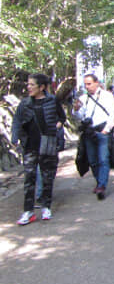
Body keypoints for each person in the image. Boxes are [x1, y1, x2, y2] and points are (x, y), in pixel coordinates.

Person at [12, 73, 66, 225]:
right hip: (30, 146)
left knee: (47, 177)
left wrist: (58, 126)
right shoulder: (24, 104)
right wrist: (15, 138)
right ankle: (28, 211)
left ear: (41, 87)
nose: (28, 87)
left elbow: (62, 117)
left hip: (48, 144)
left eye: (32, 85)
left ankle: (46, 207)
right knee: (29, 179)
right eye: (28, 84)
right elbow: (17, 120)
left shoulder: (52, 100)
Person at [73, 74, 114, 200]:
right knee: (92, 160)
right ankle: (99, 181)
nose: (87, 87)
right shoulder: (83, 98)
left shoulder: (107, 96)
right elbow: (79, 116)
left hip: (102, 130)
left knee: (103, 159)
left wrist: (107, 129)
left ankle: (102, 186)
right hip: (89, 132)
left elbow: (112, 113)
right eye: (85, 84)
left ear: (96, 83)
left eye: (89, 84)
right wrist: (76, 109)